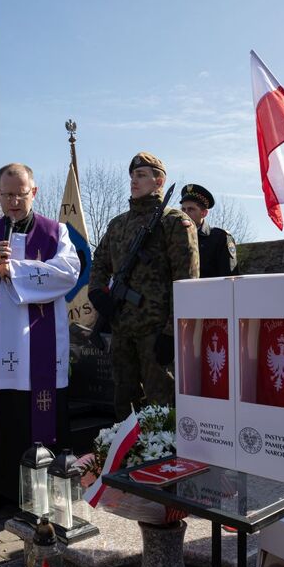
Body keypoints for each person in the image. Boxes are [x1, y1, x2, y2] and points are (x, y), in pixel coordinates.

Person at [0, 163, 79, 513]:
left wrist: (16, 271)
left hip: (41, 346)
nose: (13, 202)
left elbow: (69, 273)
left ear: (33, 192)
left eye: (20, 194)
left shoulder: (56, 233)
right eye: (6, 195)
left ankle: (44, 495)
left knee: (37, 415)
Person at [88, 152, 200, 419]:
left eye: (141, 175)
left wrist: (172, 332)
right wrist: (96, 292)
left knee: (162, 409)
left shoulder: (175, 222)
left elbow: (187, 282)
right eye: (132, 176)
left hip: (156, 332)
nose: (134, 181)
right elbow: (100, 263)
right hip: (122, 330)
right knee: (123, 407)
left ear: (159, 181)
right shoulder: (118, 225)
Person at [179, 184, 237, 278]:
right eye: (183, 210)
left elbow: (230, 278)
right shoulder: (175, 237)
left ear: (204, 213)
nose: (185, 214)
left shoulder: (220, 238)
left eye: (191, 209)